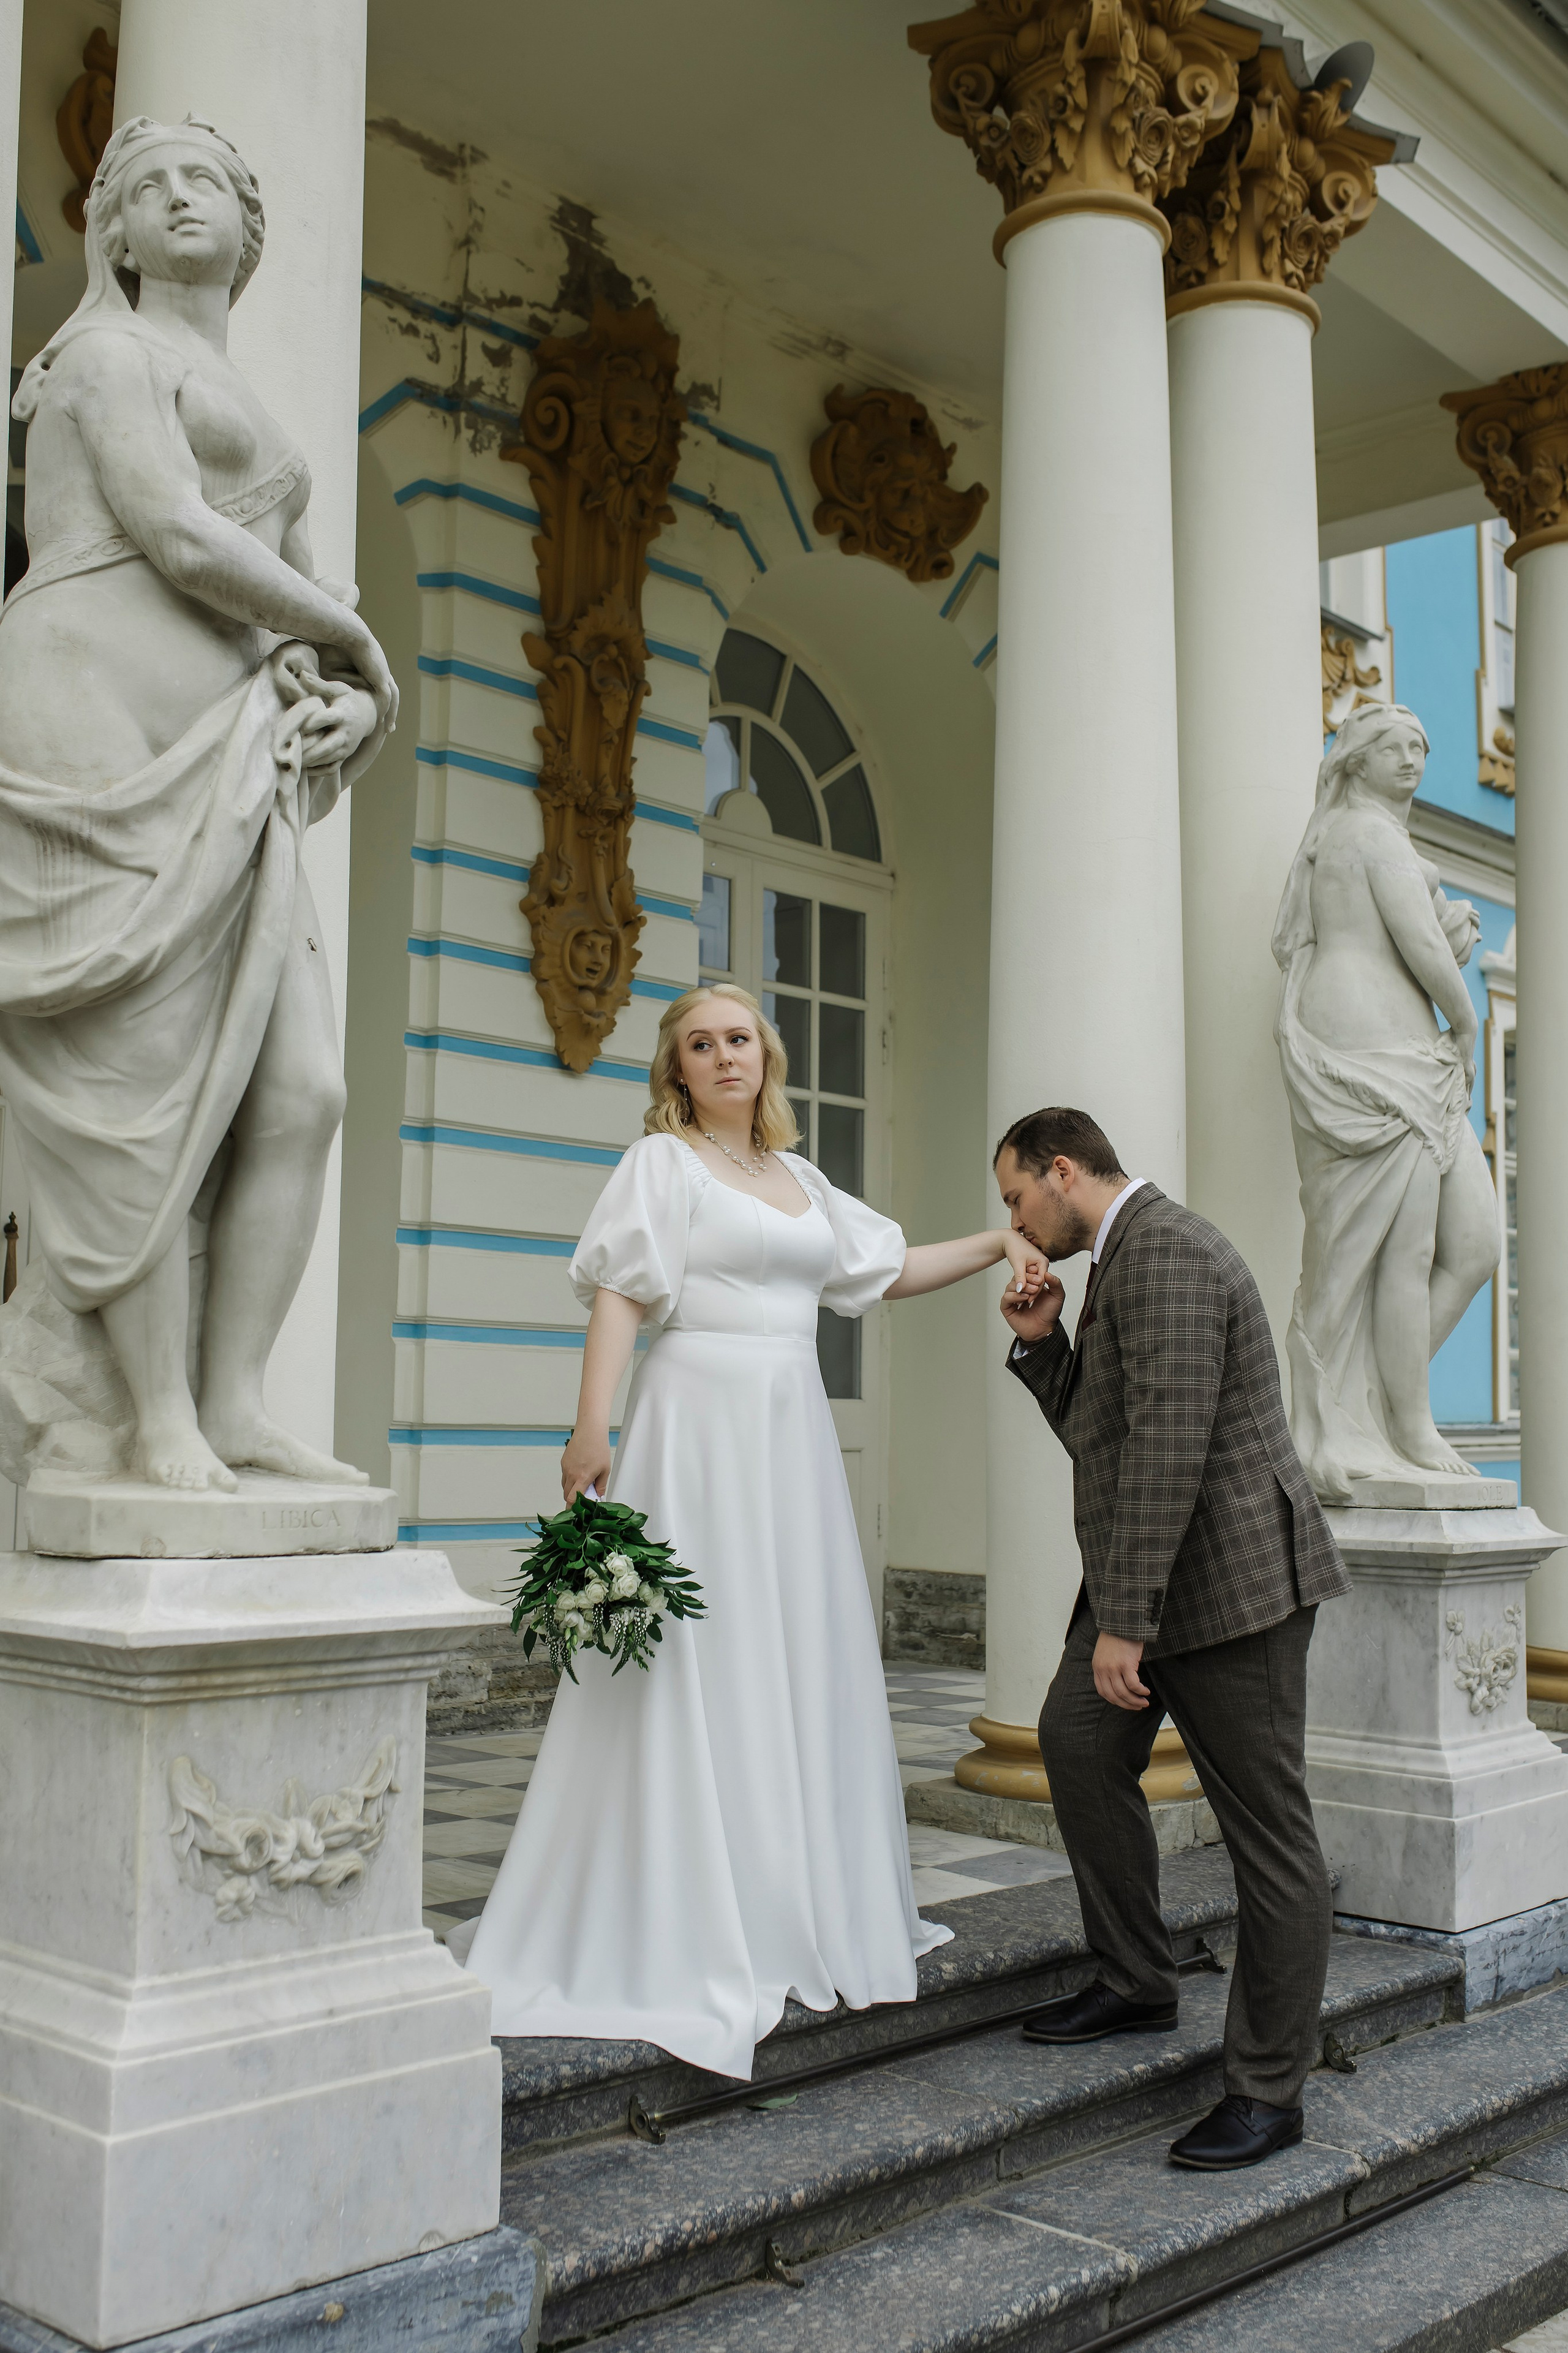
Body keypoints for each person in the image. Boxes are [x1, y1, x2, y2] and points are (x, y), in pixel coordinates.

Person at [453, 983, 1045, 2078]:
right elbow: (621, 1298)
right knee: (698, 1652)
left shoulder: (801, 1180)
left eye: (738, 1039)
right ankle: (684, 1908)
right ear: (676, 1069)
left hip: (790, 1432)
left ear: (765, 1058)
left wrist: (995, 1242)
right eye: (700, 1044)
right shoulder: (662, 1166)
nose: (724, 1056)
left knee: (796, 1650)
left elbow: (882, 1270)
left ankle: (795, 1895)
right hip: (695, 1423)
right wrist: (591, 1427)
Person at [0, 115, 396, 1492]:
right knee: (142, 1095)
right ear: (109, 228)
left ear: (248, 229)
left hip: (232, 751)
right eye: (147, 186)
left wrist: (356, 692)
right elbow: (172, 531)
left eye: (208, 184)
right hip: (93, 731)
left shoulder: (263, 410)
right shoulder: (102, 355)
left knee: (301, 1091)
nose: (178, 201)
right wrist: (359, 648)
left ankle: (233, 1402)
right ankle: (148, 1414)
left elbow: (303, 610)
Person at [993, 1106, 1349, 2172]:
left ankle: (1268, 2091)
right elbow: (1104, 1434)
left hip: (1234, 1588)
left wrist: (1128, 1622)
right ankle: (1137, 1978)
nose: (1014, 1220)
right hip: (1153, 1577)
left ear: (1062, 1171)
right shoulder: (1119, 1261)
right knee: (1073, 1740)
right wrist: (1043, 1341)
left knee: (1271, 1841)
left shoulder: (1173, 1251)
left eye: (1015, 1196)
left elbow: (1169, 1449)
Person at [1273, 701, 1499, 1501]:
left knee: (1472, 1243)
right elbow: (1413, 939)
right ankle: (1400, 1423)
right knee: (1395, 1252)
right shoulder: (1366, 831)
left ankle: (1369, 1402)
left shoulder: (1368, 838)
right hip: (1382, 1052)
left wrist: (1447, 933)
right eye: (1395, 747)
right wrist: (1468, 1021)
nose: (1413, 760)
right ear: (1356, 760)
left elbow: (1410, 933)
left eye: (1421, 747)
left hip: (1402, 1049)